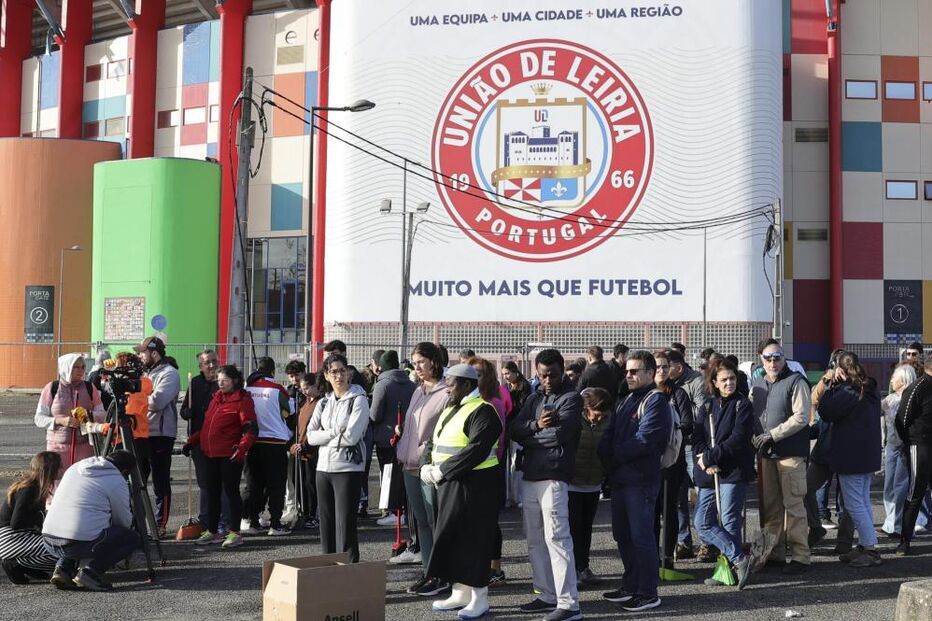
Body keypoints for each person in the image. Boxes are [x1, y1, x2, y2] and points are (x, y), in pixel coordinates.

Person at [421, 364, 502, 620]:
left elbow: (476, 449)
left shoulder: (484, 411)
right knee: (453, 537)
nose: (447, 389)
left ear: (467, 384)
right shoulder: (451, 408)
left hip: (476, 485)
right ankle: (460, 591)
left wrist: (442, 470)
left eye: (451, 384)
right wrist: (426, 465)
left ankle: (480, 598)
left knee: (475, 541)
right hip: (451, 483)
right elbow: (434, 441)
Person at [511, 348, 583, 621]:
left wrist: (530, 435)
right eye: (542, 375)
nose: (547, 380)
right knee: (534, 540)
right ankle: (546, 594)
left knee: (557, 539)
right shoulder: (534, 397)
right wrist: (536, 426)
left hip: (554, 476)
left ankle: (569, 603)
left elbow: (559, 436)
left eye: (552, 374)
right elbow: (515, 429)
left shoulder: (572, 398)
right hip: (531, 474)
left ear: (562, 370)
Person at [598, 350, 670, 612]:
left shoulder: (655, 400)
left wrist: (613, 456)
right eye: (626, 371)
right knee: (623, 535)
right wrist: (605, 456)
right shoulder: (626, 399)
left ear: (650, 373)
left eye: (634, 371)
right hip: (620, 479)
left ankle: (648, 592)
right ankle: (631, 585)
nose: (628, 375)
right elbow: (609, 432)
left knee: (641, 537)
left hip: (640, 481)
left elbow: (645, 440)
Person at [299, 353, 369, 562]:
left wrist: (325, 436)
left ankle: (349, 570)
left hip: (348, 468)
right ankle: (328, 568)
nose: (339, 376)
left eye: (342, 371)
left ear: (348, 373)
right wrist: (334, 432)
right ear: (326, 375)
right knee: (327, 523)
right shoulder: (323, 403)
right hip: (323, 468)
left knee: (345, 524)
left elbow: (352, 437)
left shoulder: (358, 400)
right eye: (333, 372)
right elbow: (311, 437)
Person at [749, 339, 812, 574]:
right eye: (768, 358)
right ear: (761, 359)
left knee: (794, 506)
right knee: (770, 508)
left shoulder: (796, 381)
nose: (773, 362)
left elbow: (802, 417)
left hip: (791, 454)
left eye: (777, 357)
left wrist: (772, 435)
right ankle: (773, 553)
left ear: (784, 358)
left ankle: (800, 556)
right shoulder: (757, 385)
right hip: (766, 454)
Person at [692, 359, 754, 589]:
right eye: (724, 380)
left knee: (729, 521)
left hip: (733, 470)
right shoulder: (707, 406)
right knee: (701, 522)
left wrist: (711, 457)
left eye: (732, 378)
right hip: (709, 472)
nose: (729, 383)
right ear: (715, 383)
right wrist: (706, 461)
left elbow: (738, 439)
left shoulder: (742, 405)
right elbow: (697, 437)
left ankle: (728, 572)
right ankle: (739, 559)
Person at [817, 352, 883, 567]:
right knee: (862, 502)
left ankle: (870, 549)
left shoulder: (848, 390)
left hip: (850, 455)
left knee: (854, 505)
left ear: (840, 369)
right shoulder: (869, 388)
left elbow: (825, 410)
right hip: (867, 455)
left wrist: (831, 385)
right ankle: (865, 545)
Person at [394, 342, 450, 596]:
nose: (416, 367)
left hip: (429, 467)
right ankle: (429, 572)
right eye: (414, 362)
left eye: (421, 362)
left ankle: (442, 574)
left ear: (434, 362)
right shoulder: (418, 390)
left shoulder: (446, 393)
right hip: (409, 464)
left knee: (435, 522)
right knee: (421, 523)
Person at [42, 450, 141, 591]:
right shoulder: (116, 480)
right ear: (125, 471)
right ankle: (91, 572)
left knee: (80, 526)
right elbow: (123, 521)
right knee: (131, 538)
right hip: (77, 543)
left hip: (48, 539)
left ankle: (63, 569)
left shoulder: (75, 467)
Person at [183, 365, 256, 549]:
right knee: (212, 492)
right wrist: (192, 441)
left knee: (230, 493)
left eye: (225, 380)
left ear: (235, 381)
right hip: (210, 453)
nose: (221, 383)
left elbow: (250, 428)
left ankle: (235, 532)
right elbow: (207, 427)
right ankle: (213, 531)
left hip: (229, 454)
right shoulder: (216, 399)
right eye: (219, 380)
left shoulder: (242, 400)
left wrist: (242, 448)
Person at [804, 349, 854, 552]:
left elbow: (826, 411)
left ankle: (844, 541)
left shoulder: (856, 389)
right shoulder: (828, 385)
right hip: (823, 450)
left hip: (846, 452)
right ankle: (816, 527)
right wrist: (826, 379)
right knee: (804, 488)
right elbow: (814, 401)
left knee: (848, 500)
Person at [468, 357, 512, 586]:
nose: (473, 378)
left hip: (490, 469)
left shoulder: (494, 402)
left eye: (478, 374)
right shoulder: (470, 401)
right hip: (471, 470)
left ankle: (495, 568)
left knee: (489, 522)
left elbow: (499, 440)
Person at [652, 351, 695, 568]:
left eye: (665, 367)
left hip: (672, 460)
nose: (661, 371)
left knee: (670, 510)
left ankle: (667, 557)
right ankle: (651, 555)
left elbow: (688, 424)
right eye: (657, 367)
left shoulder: (678, 394)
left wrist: (669, 432)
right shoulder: (644, 393)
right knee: (651, 511)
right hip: (649, 462)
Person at [135, 336, 180, 537]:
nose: (140, 356)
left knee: (160, 481)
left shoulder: (169, 373)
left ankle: (160, 524)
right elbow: (148, 400)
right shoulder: (144, 373)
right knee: (138, 481)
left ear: (154, 353)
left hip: (161, 434)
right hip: (140, 432)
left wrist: (136, 397)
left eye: (142, 353)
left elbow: (157, 401)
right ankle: (137, 525)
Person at [243, 357, 292, 536]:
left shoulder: (247, 388)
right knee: (276, 485)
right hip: (274, 442)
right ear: (272, 371)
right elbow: (287, 412)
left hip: (252, 441)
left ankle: (253, 521)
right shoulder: (278, 389)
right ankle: (275, 524)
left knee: (254, 484)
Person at [35, 353, 106, 473]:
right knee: (58, 482)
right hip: (56, 449)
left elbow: (102, 414)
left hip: (85, 448)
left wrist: (88, 415)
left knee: (83, 481)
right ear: (66, 367)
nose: (80, 370)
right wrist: (60, 420)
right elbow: (39, 418)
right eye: (76, 367)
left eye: (83, 367)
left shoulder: (90, 388)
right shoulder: (51, 388)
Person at [570, 388, 612, 587]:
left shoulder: (609, 421)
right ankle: (571, 570)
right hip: (572, 484)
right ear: (587, 408)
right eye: (597, 413)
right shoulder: (574, 419)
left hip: (593, 483)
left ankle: (583, 567)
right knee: (572, 529)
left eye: (603, 414)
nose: (600, 417)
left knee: (586, 529)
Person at [0, 452, 62, 584]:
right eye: (59, 467)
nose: (62, 469)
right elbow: (16, 523)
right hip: (10, 538)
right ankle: (16, 564)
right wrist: (44, 516)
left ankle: (24, 566)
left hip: (18, 537)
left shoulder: (35, 488)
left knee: (61, 555)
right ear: (50, 471)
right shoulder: (28, 490)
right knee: (63, 550)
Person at [370, 350, 416, 527]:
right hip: (407, 436)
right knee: (404, 476)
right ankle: (404, 510)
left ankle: (393, 512)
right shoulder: (411, 385)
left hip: (386, 437)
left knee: (388, 475)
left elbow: (375, 415)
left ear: (381, 366)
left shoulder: (382, 385)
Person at [894, 353, 932, 555]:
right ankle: (905, 540)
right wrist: (910, 442)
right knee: (915, 493)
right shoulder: (917, 387)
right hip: (919, 446)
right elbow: (901, 419)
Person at [179, 350, 221, 531]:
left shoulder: (223, 382)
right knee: (204, 482)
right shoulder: (195, 383)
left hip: (220, 440)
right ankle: (205, 519)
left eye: (214, 361)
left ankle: (221, 519)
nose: (211, 366)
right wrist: (188, 412)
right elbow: (183, 410)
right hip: (199, 439)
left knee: (220, 482)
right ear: (201, 366)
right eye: (207, 363)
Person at [881, 364, 917, 537]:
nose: (891, 380)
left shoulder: (912, 399)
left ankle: (897, 525)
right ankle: (890, 522)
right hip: (891, 446)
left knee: (900, 486)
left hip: (905, 446)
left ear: (903, 380)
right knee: (889, 485)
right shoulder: (889, 399)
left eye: (894, 377)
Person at [289, 371, 328, 530]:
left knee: (310, 484)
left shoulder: (321, 404)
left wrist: (305, 445)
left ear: (316, 386)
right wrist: (293, 445)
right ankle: (304, 512)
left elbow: (319, 429)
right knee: (298, 483)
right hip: (298, 451)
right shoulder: (303, 403)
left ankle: (312, 514)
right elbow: (297, 427)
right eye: (302, 388)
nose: (304, 391)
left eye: (306, 387)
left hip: (312, 452)